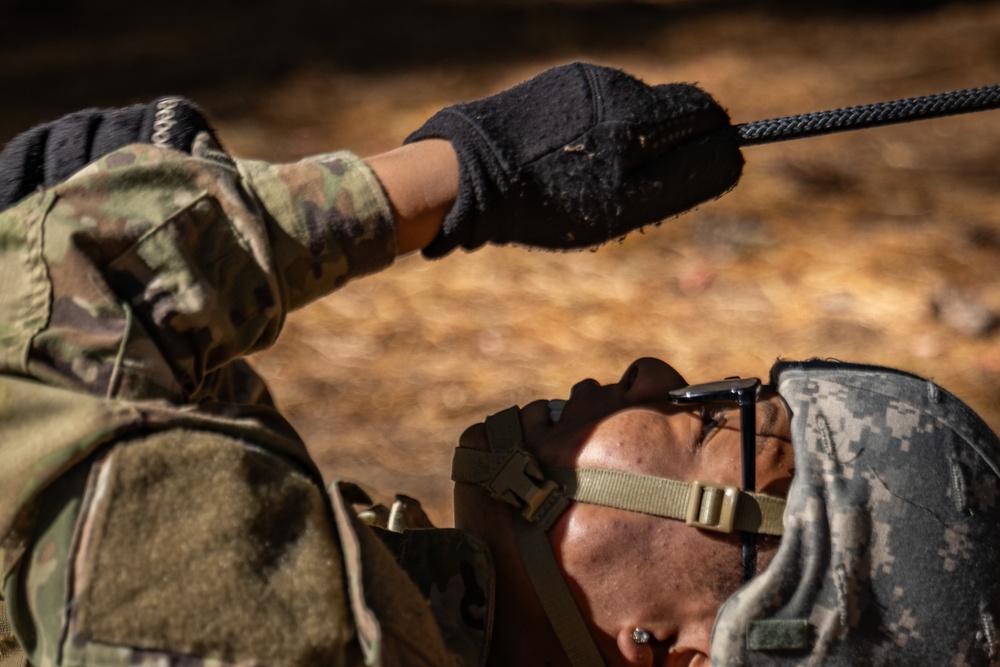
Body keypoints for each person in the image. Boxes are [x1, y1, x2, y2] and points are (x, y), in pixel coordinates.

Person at [1, 61, 998, 667]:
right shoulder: (411, 607)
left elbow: (67, 303)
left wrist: (454, 174)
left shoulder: (297, 634)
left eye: (712, 418)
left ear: (688, 644)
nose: (656, 371)